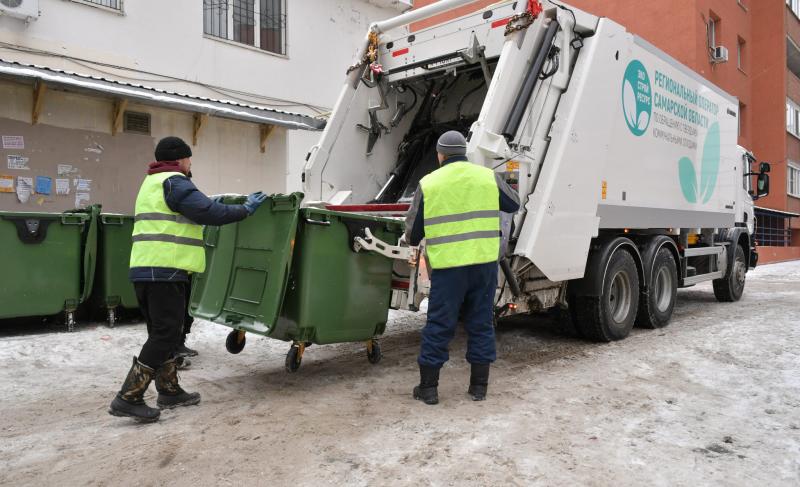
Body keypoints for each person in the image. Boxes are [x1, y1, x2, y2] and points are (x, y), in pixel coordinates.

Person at [108, 136, 268, 422]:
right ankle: (129, 397)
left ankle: (169, 390)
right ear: (180, 159)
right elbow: (208, 213)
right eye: (189, 158)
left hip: (149, 270)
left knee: (165, 330)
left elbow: (190, 209)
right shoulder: (175, 180)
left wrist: (208, 201)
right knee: (166, 333)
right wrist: (246, 209)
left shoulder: (153, 182)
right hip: (165, 270)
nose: (190, 163)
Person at [404, 131, 520, 405]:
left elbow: (412, 233)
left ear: (440, 154)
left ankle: (429, 389)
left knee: (440, 325)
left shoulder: (429, 183)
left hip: (449, 268)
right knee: (480, 324)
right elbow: (513, 202)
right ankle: (479, 388)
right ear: (465, 152)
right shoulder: (486, 176)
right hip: (483, 265)